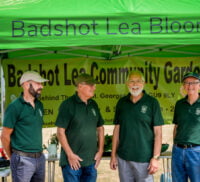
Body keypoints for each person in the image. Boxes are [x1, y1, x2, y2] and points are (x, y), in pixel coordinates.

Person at [110, 71, 164, 182]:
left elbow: (158, 133)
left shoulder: (152, 103)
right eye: (132, 81)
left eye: (138, 81)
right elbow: (117, 130)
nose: (135, 84)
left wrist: (155, 157)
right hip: (123, 158)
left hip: (144, 160)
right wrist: (113, 155)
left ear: (143, 83)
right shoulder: (121, 103)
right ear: (127, 84)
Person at [1, 70, 48, 182]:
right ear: (27, 85)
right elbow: (4, 136)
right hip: (22, 159)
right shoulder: (15, 107)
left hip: (40, 158)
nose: (41, 86)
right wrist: (13, 157)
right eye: (38, 83)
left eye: (41, 83)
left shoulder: (40, 105)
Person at [56, 73, 104, 182]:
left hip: (91, 162)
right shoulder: (67, 105)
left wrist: (100, 150)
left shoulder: (93, 104)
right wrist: (70, 155)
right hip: (72, 163)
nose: (94, 87)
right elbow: (60, 132)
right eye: (91, 85)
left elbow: (100, 128)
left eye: (94, 85)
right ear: (80, 86)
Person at [172, 72, 200, 182]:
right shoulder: (179, 104)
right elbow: (176, 127)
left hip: (196, 151)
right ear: (184, 86)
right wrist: (175, 145)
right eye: (187, 83)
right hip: (178, 151)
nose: (190, 86)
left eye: (193, 83)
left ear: (199, 85)